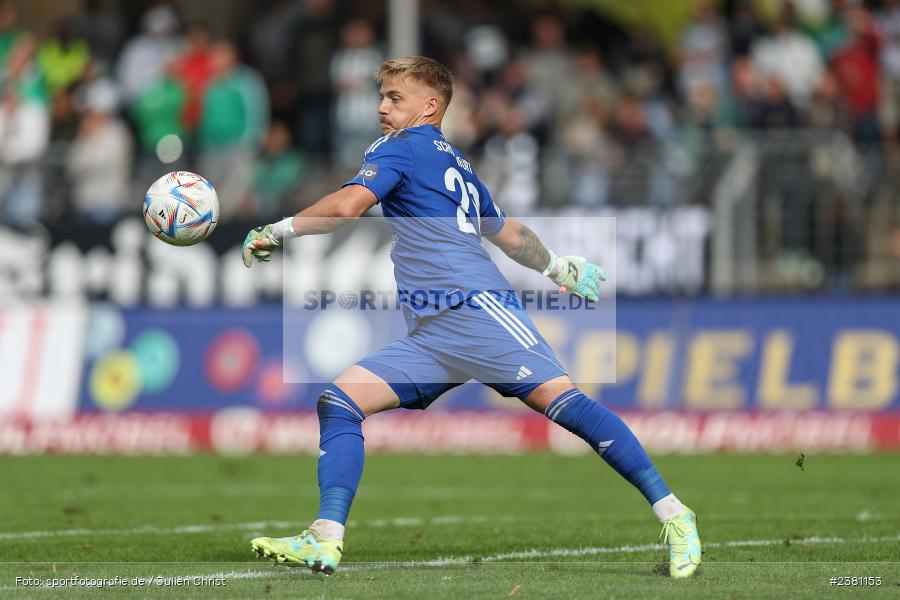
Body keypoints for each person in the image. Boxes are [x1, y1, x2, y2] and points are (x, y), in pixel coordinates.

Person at [241, 56, 701, 578]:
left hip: (476, 308)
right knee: (340, 402)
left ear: (430, 105)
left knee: (565, 405)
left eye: (395, 98)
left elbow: (349, 207)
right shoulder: (455, 163)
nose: (382, 107)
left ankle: (675, 514)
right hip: (434, 332)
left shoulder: (400, 149)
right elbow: (507, 234)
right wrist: (555, 265)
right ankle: (324, 538)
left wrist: (278, 230)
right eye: (382, 97)